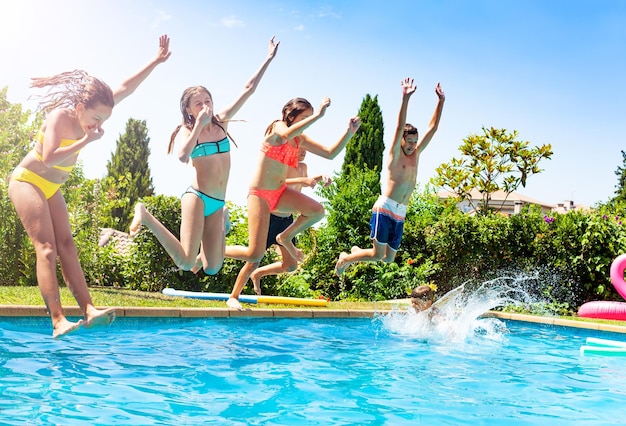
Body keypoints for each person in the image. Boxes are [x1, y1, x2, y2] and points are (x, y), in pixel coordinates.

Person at [8, 35, 172, 338]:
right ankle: (57, 320)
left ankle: (88, 310)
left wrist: (156, 61)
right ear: (81, 107)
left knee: (67, 246)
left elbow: (125, 88)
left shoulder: (90, 114)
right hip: (28, 181)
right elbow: (47, 157)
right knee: (46, 248)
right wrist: (86, 139)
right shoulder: (60, 117)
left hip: (50, 188)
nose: (98, 125)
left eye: (103, 120)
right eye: (95, 118)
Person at [129, 37, 279, 276]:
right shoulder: (188, 131)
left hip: (218, 203)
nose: (204, 105)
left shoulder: (223, 122)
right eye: (198, 103)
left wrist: (268, 59)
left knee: (212, 267)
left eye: (207, 101)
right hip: (197, 198)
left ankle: (222, 222)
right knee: (187, 263)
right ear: (189, 110)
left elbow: (248, 89)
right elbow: (182, 156)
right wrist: (198, 125)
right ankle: (145, 216)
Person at [225, 97, 361, 309]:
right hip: (260, 193)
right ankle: (226, 278)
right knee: (254, 254)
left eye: (309, 117)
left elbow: (330, 153)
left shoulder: (301, 139)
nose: (308, 121)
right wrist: (318, 115)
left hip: (280, 193)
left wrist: (349, 133)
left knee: (317, 211)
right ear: (291, 116)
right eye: (304, 117)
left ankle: (285, 236)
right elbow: (284, 135)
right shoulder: (278, 126)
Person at [334, 78, 445, 275]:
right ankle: (346, 258)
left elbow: (433, 128)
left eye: (415, 141)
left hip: (401, 211)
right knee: (378, 256)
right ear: (402, 140)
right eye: (409, 141)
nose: (412, 145)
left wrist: (440, 101)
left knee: (388, 259)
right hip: (385, 208)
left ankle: (358, 252)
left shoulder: (416, 154)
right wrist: (405, 98)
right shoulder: (395, 153)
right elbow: (399, 125)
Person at [250, 147, 331, 295]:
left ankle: (258, 273)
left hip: (287, 220)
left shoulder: (303, 167)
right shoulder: (284, 164)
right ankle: (236, 293)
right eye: (301, 148)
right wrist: (302, 179)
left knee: (291, 265)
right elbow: (279, 183)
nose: (304, 151)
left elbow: (303, 184)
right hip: (271, 218)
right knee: (253, 257)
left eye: (306, 149)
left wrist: (321, 176)